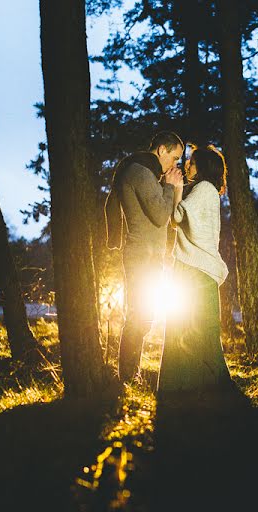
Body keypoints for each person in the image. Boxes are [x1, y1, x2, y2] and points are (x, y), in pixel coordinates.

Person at [106, 131, 185, 383]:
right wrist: (170, 187)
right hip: (140, 257)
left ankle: (130, 373)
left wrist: (170, 187)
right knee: (138, 317)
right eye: (174, 157)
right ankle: (127, 376)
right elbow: (161, 214)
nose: (175, 164)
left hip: (149, 257)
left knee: (144, 316)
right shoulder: (140, 172)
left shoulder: (148, 173)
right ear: (162, 150)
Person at [157, 145, 233, 395]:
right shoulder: (210, 192)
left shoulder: (203, 189)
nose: (186, 166)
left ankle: (183, 385)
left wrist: (176, 188)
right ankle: (199, 385)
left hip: (194, 268)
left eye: (191, 162)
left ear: (202, 166)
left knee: (186, 328)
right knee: (200, 330)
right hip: (201, 270)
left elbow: (177, 217)